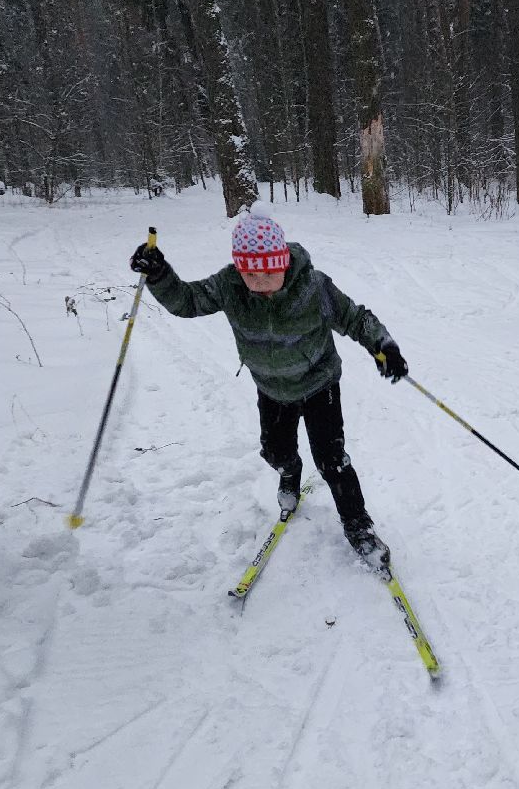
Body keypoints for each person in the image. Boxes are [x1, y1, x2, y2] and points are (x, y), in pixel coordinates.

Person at [129, 208, 408, 567]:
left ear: (284, 262)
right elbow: (188, 301)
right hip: (272, 390)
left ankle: (358, 527)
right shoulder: (230, 287)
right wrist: (160, 275)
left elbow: (354, 317)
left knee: (332, 460)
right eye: (250, 273)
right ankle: (290, 472)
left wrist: (383, 346)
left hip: (319, 384)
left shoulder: (314, 286)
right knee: (274, 452)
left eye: (268, 272)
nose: (259, 280)